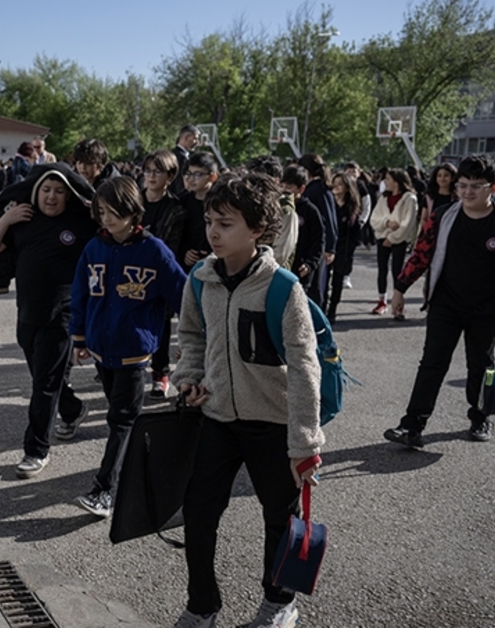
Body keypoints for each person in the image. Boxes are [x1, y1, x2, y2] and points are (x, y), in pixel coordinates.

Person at [171, 172, 323, 628]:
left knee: (279, 518)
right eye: (209, 221)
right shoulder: (200, 279)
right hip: (216, 417)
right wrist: (189, 378)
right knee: (199, 513)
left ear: (257, 229)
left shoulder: (283, 288)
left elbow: (305, 367)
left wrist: (304, 442)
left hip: (273, 424)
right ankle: (202, 604)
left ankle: (279, 602)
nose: (213, 233)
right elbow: (192, 336)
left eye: (226, 223)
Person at [383, 154, 495, 449]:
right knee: (432, 363)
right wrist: (400, 287)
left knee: (480, 365)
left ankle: (480, 417)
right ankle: (412, 425)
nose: (468, 192)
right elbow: (421, 253)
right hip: (446, 304)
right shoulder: (443, 216)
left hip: (488, 308)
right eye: (463, 185)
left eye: (477, 186)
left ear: (494, 187)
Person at [66, 177, 186, 517]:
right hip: (100, 349)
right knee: (119, 419)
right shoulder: (94, 248)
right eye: (101, 211)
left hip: (134, 352)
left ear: (133, 211)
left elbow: (184, 296)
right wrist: (79, 338)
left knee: (121, 420)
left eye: (113, 211)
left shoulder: (154, 250)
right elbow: (80, 295)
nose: (105, 218)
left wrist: (192, 340)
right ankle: (140, 469)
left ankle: (104, 490)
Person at [0, 163, 95, 479]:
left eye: (59, 191)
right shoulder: (25, 220)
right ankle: (72, 409)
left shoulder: (80, 222)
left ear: (68, 195)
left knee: (43, 385)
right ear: (36, 192)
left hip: (63, 315)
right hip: (28, 313)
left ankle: (36, 450)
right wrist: (6, 219)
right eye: (46, 190)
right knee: (45, 378)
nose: (51, 197)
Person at [139, 149, 186, 398]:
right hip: (132, 269)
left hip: (160, 272)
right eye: (147, 170)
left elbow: (174, 245)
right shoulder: (133, 201)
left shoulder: (176, 208)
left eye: (157, 171)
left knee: (162, 324)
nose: (151, 176)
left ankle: (160, 373)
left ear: (170, 175)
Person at [369, 169, 419, 319]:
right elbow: (374, 219)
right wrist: (386, 223)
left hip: (399, 240)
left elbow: (408, 223)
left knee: (398, 271)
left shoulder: (409, 199)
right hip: (382, 238)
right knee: (382, 269)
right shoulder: (383, 198)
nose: (385, 182)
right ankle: (381, 301)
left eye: (388, 179)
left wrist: (392, 238)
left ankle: (398, 304)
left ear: (397, 182)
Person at [298, 154, 337, 311]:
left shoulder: (319, 189)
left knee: (317, 288)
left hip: (320, 245)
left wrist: (330, 247)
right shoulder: (317, 188)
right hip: (313, 244)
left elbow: (329, 219)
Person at [246, 155, 298, 270]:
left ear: (276, 181)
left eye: (260, 181)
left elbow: (280, 255)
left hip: (269, 274)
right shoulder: (248, 204)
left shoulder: (286, 211)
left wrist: (251, 268)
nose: (254, 186)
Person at [280, 165, 324, 300]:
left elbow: (319, 240)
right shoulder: (277, 207)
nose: (284, 190)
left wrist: (310, 263)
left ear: (301, 189)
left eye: (289, 187)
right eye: (282, 186)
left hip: (300, 268)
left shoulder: (310, 211)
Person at [327, 171, 361, 321]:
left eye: (340, 184)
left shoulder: (351, 207)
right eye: (334, 183)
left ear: (347, 187)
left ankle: (332, 309)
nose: (336, 187)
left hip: (343, 248)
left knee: (338, 280)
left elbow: (355, 232)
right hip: (328, 247)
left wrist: (351, 248)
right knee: (323, 280)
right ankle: (322, 306)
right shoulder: (328, 203)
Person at [179, 152, 219, 270]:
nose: (191, 179)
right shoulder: (183, 201)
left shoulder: (220, 203)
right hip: (187, 263)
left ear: (212, 177)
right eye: (189, 174)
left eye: (197, 175)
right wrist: (184, 252)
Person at [169, 125, 201, 197]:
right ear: (186, 137)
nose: (197, 142)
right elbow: (180, 183)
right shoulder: (181, 158)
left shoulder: (171, 155)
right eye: (195, 138)